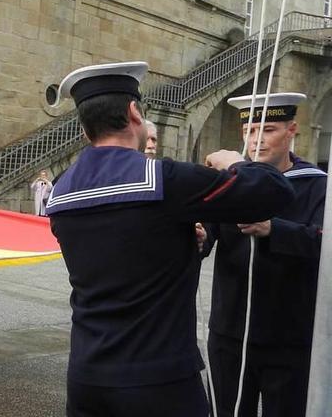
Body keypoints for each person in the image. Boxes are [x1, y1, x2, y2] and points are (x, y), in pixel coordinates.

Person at [44, 62, 294, 417]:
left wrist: (175, 242)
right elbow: (275, 192)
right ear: (135, 113)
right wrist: (236, 162)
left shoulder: (60, 191)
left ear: (85, 130)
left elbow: (119, 248)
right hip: (158, 380)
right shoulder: (163, 180)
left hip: (87, 375)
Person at [202, 92, 324, 417]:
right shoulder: (227, 181)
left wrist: (275, 229)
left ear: (292, 130)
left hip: (289, 334)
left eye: (268, 129)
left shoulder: (316, 185)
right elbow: (205, 239)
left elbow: (323, 243)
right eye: (250, 131)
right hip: (230, 331)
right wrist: (194, 236)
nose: (256, 140)